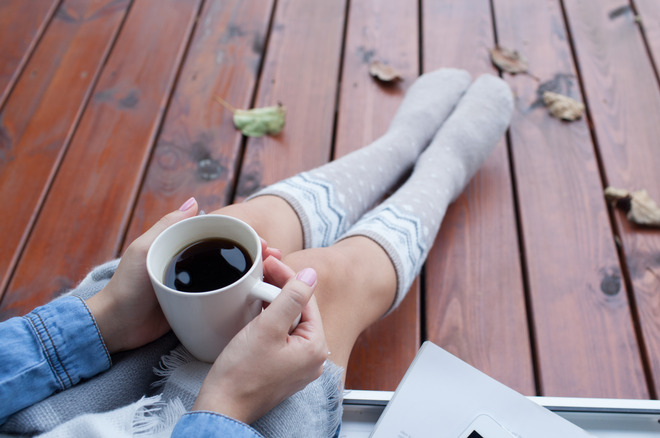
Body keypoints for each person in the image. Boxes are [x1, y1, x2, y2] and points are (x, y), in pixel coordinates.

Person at [0, 69, 513, 437]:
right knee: (323, 285)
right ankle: (439, 173)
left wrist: (106, 318)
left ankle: (398, 147)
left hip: (39, 397)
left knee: (236, 229)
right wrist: (229, 405)